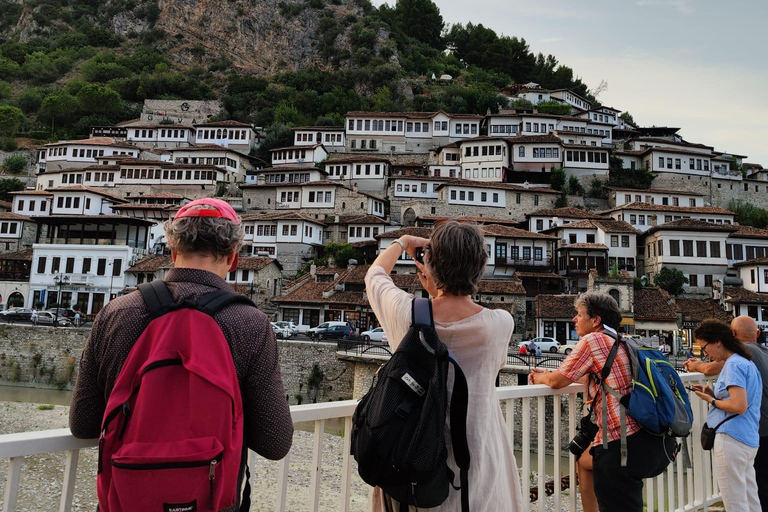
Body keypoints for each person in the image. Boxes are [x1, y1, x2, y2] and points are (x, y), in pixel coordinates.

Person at [69, 198, 294, 509]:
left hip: (127, 499)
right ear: (233, 258)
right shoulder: (250, 323)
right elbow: (275, 442)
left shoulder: (117, 313)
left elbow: (83, 424)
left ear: (173, 251)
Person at [364, 221, 524, 511]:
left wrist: (403, 240)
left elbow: (375, 276)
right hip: (476, 467)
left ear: (431, 264)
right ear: (479, 267)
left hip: (415, 469)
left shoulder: (409, 314)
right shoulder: (500, 324)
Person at [530, 291, 676, 512]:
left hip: (622, 445)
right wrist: (551, 373)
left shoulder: (593, 340)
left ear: (595, 320)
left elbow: (557, 381)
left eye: (579, 314)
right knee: (585, 464)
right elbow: (587, 375)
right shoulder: (622, 341)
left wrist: (538, 376)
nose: (574, 319)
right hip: (650, 440)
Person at [686, 315, 768, 511]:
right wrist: (713, 393)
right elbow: (745, 400)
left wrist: (712, 400)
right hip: (748, 438)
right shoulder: (746, 361)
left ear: (718, 342)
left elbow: (739, 406)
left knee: (735, 502)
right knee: (751, 498)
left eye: (705, 348)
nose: (706, 354)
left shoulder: (733, 365)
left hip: (732, 438)